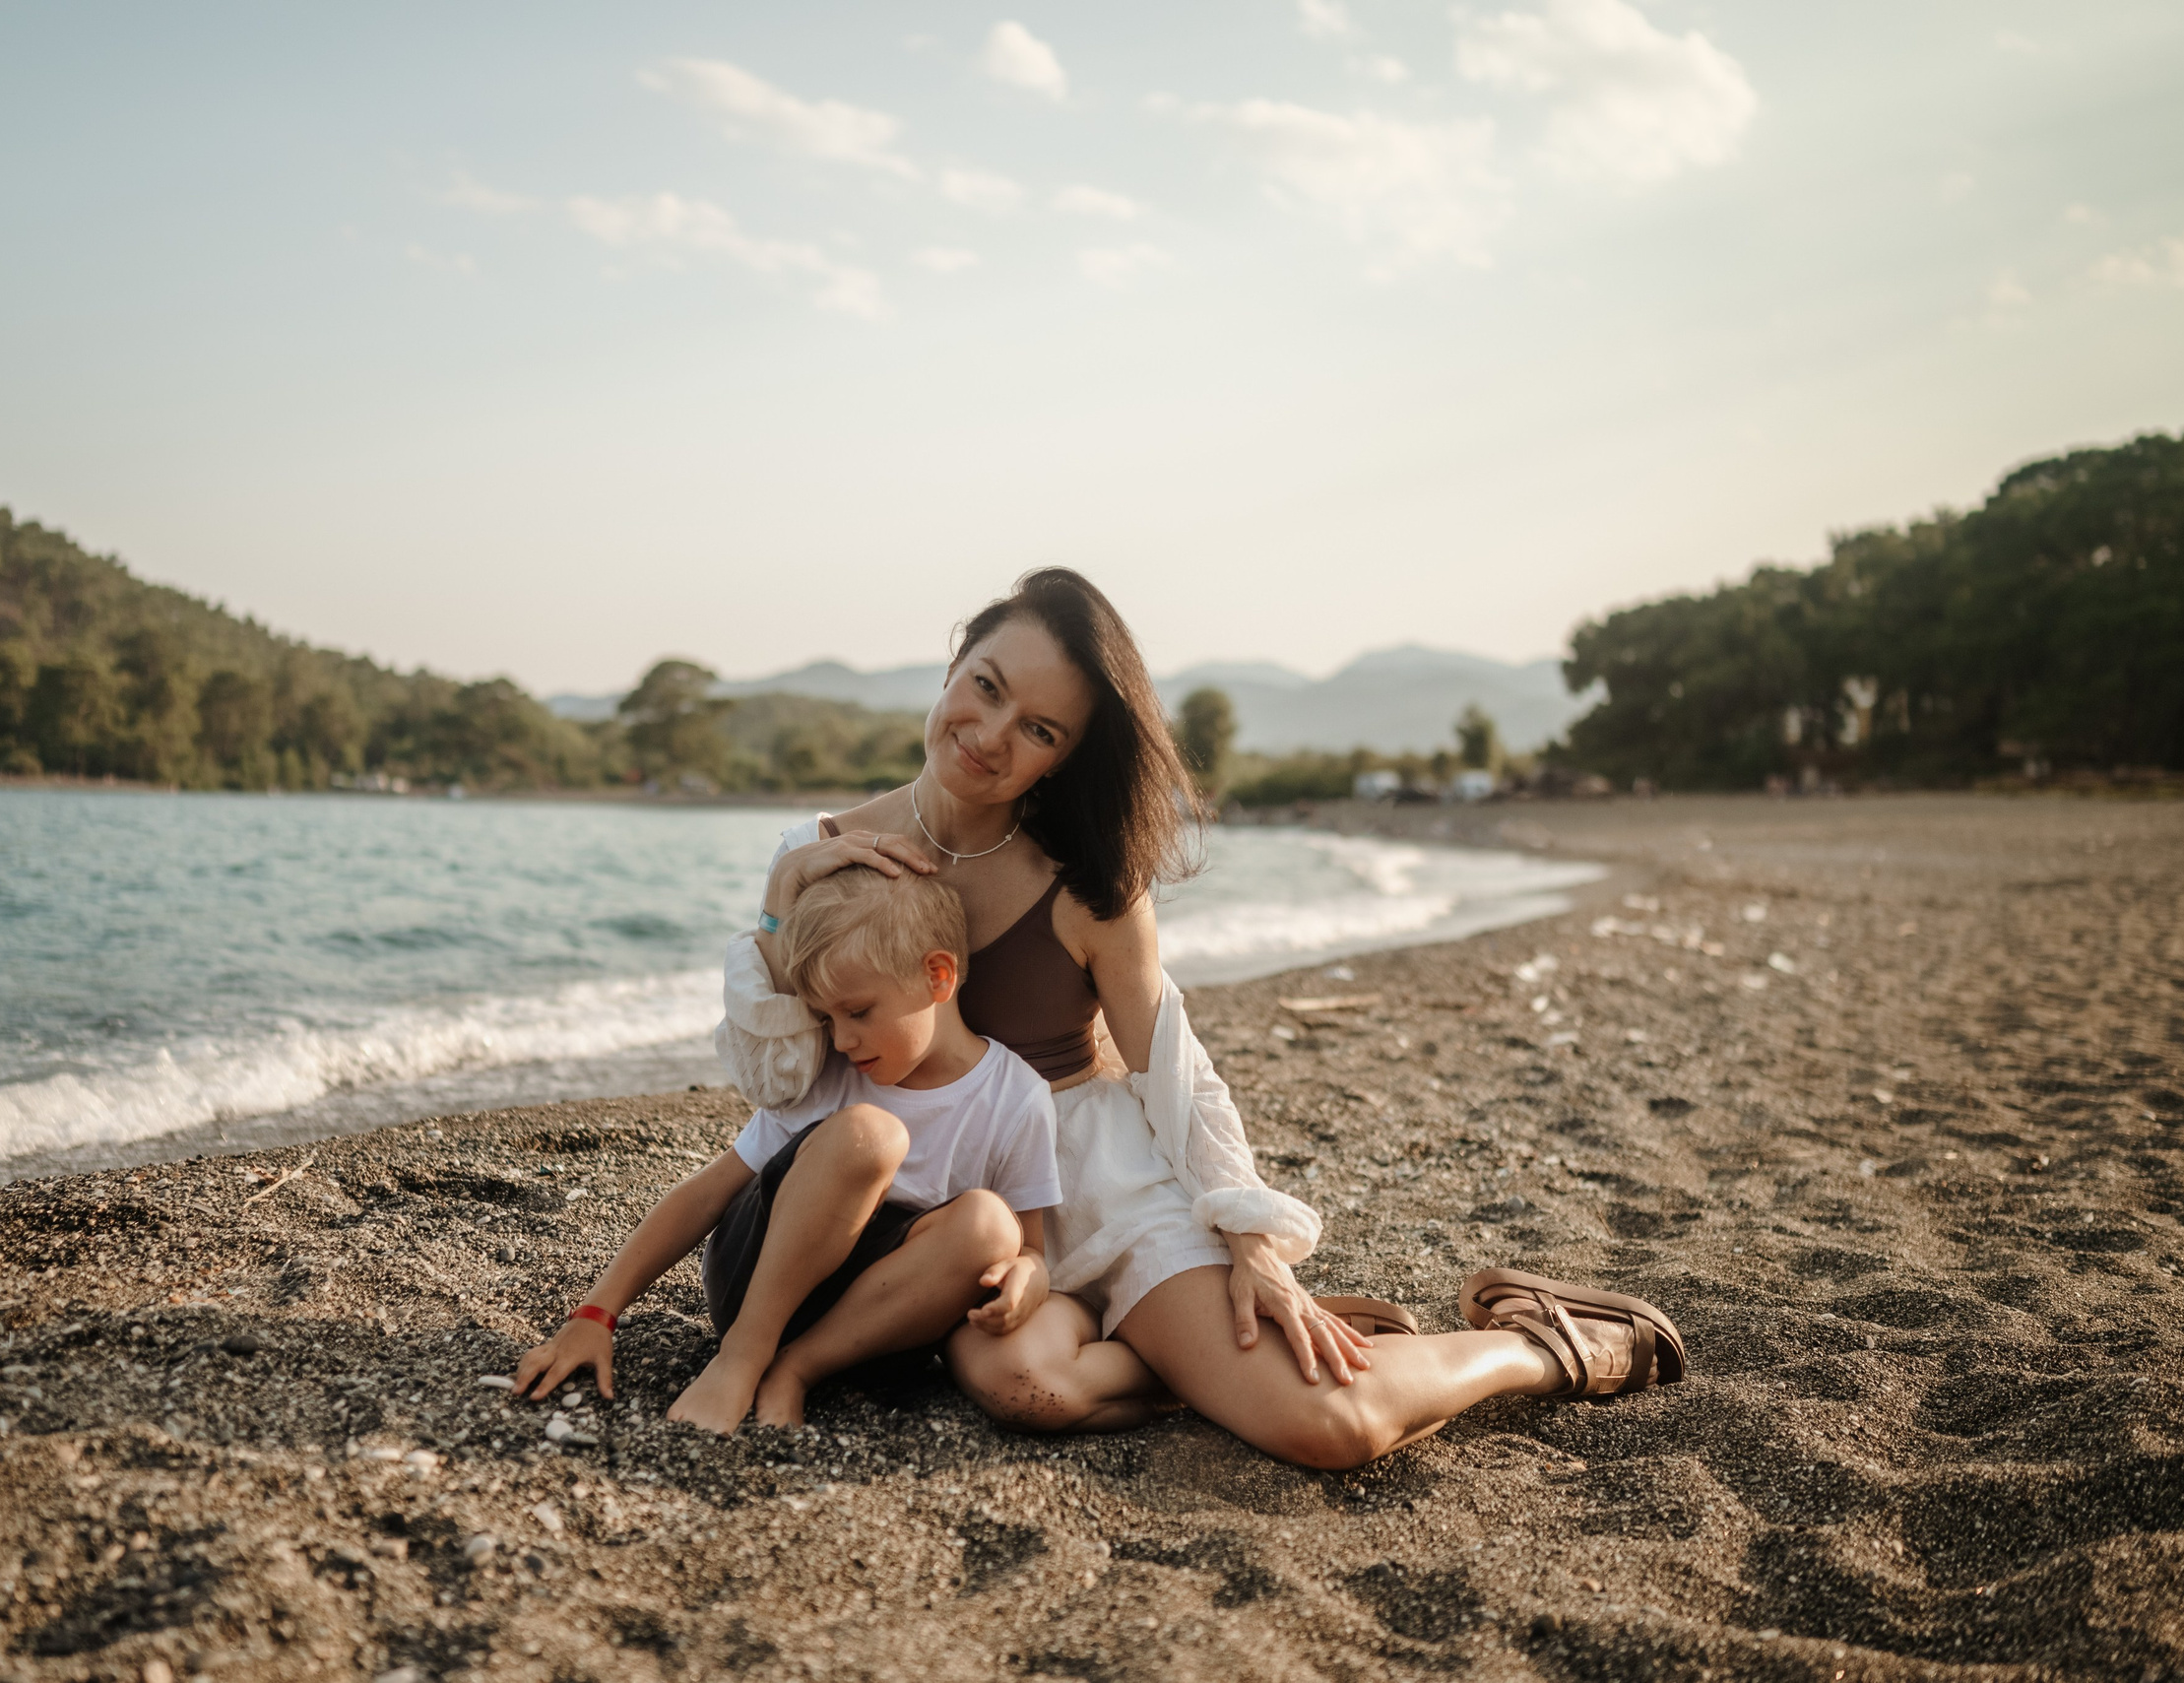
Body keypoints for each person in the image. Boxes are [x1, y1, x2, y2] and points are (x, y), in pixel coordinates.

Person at [714, 567, 1684, 1467]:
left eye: (1041, 729)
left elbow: (1173, 1070)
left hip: (1102, 1179)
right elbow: (781, 1084)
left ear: (1065, 758)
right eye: (986, 684)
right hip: (969, 1214)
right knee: (1026, 1386)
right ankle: (1203, 1360)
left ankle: (1536, 1341)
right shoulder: (822, 853)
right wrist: (772, 909)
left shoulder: (1087, 885)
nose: (992, 732)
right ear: (954, 663)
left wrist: (1251, 1240)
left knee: (1330, 1424)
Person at [512, 863, 1061, 1433]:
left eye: (858, 1012)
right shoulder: (831, 1073)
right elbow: (706, 1195)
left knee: (993, 1226)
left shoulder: (1016, 1097)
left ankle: (794, 1370)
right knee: (870, 1136)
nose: (842, 1039)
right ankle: (744, 1358)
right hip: (756, 1286)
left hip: (876, 1328)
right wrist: (596, 1314)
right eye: (825, 1018)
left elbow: (1034, 1249)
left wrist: (1027, 1279)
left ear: (938, 976)